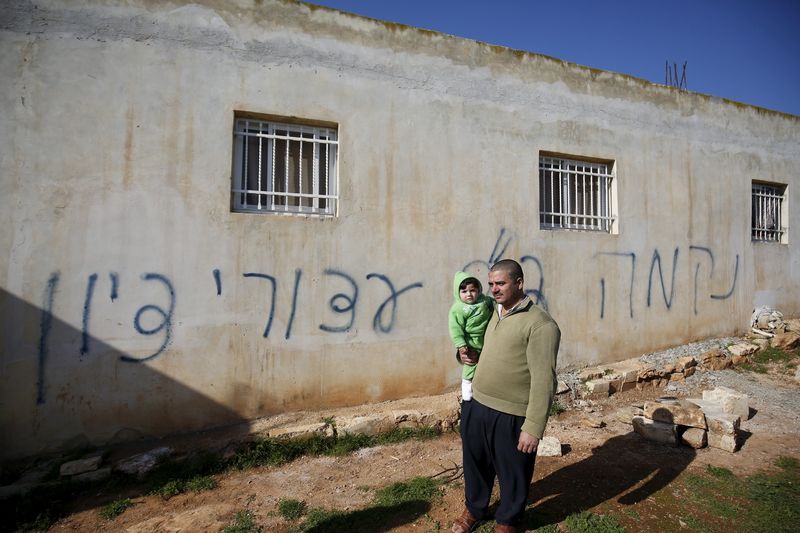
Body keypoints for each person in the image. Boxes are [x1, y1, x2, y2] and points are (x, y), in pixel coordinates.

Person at [451, 259, 561, 533]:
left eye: (500, 283)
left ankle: (508, 520)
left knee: (513, 471)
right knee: (475, 463)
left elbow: (544, 380)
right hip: (477, 405)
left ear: (519, 283)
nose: (494, 289)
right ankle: (475, 509)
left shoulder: (541, 325)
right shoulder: (490, 313)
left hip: (512, 414)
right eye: (490, 284)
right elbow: (480, 347)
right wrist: (464, 354)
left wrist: (534, 427)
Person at [448, 272, 494, 401]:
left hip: (484, 338)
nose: (469, 294)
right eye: (464, 291)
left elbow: (494, 304)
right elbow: (455, 328)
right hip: (471, 341)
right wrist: (461, 345)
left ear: (478, 290)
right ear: (458, 293)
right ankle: (467, 390)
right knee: (470, 363)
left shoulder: (484, 301)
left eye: (472, 290)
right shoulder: (458, 309)